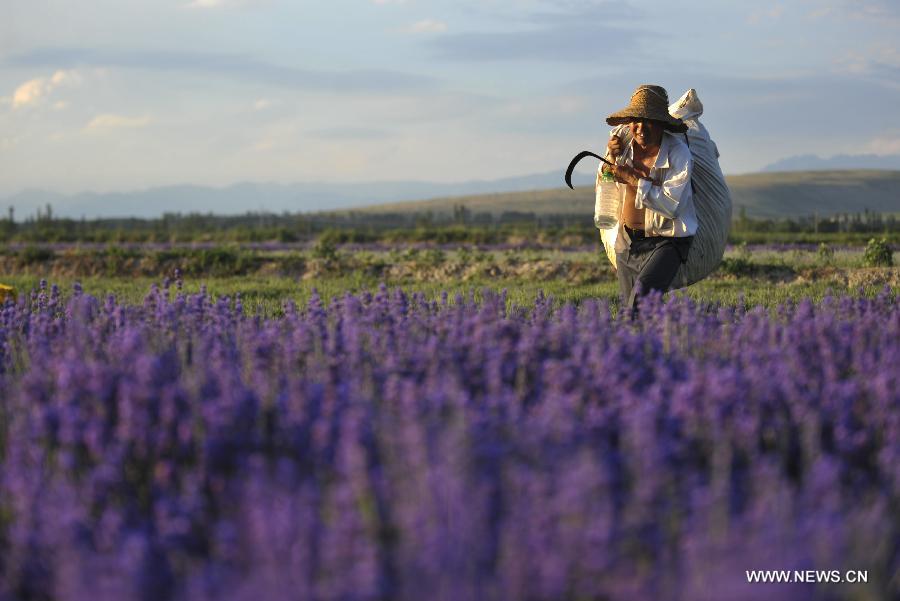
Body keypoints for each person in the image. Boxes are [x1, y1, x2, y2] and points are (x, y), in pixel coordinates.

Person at [601, 84, 698, 315]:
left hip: (667, 240)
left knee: (639, 305)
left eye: (648, 120)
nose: (640, 127)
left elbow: (671, 205)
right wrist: (611, 158)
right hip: (627, 242)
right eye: (635, 120)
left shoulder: (678, 154)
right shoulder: (623, 148)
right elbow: (606, 181)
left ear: (662, 124)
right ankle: (651, 348)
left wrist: (633, 178)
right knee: (632, 310)